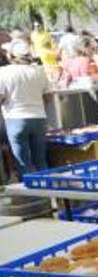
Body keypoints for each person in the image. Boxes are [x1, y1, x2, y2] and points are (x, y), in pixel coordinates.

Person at [0, 40, 50, 175]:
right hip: (39, 119)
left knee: (23, 164)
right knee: (41, 161)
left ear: (11, 56)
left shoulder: (4, 72)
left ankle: (32, 195)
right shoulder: (40, 71)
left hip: (15, 120)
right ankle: (50, 193)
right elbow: (47, 98)